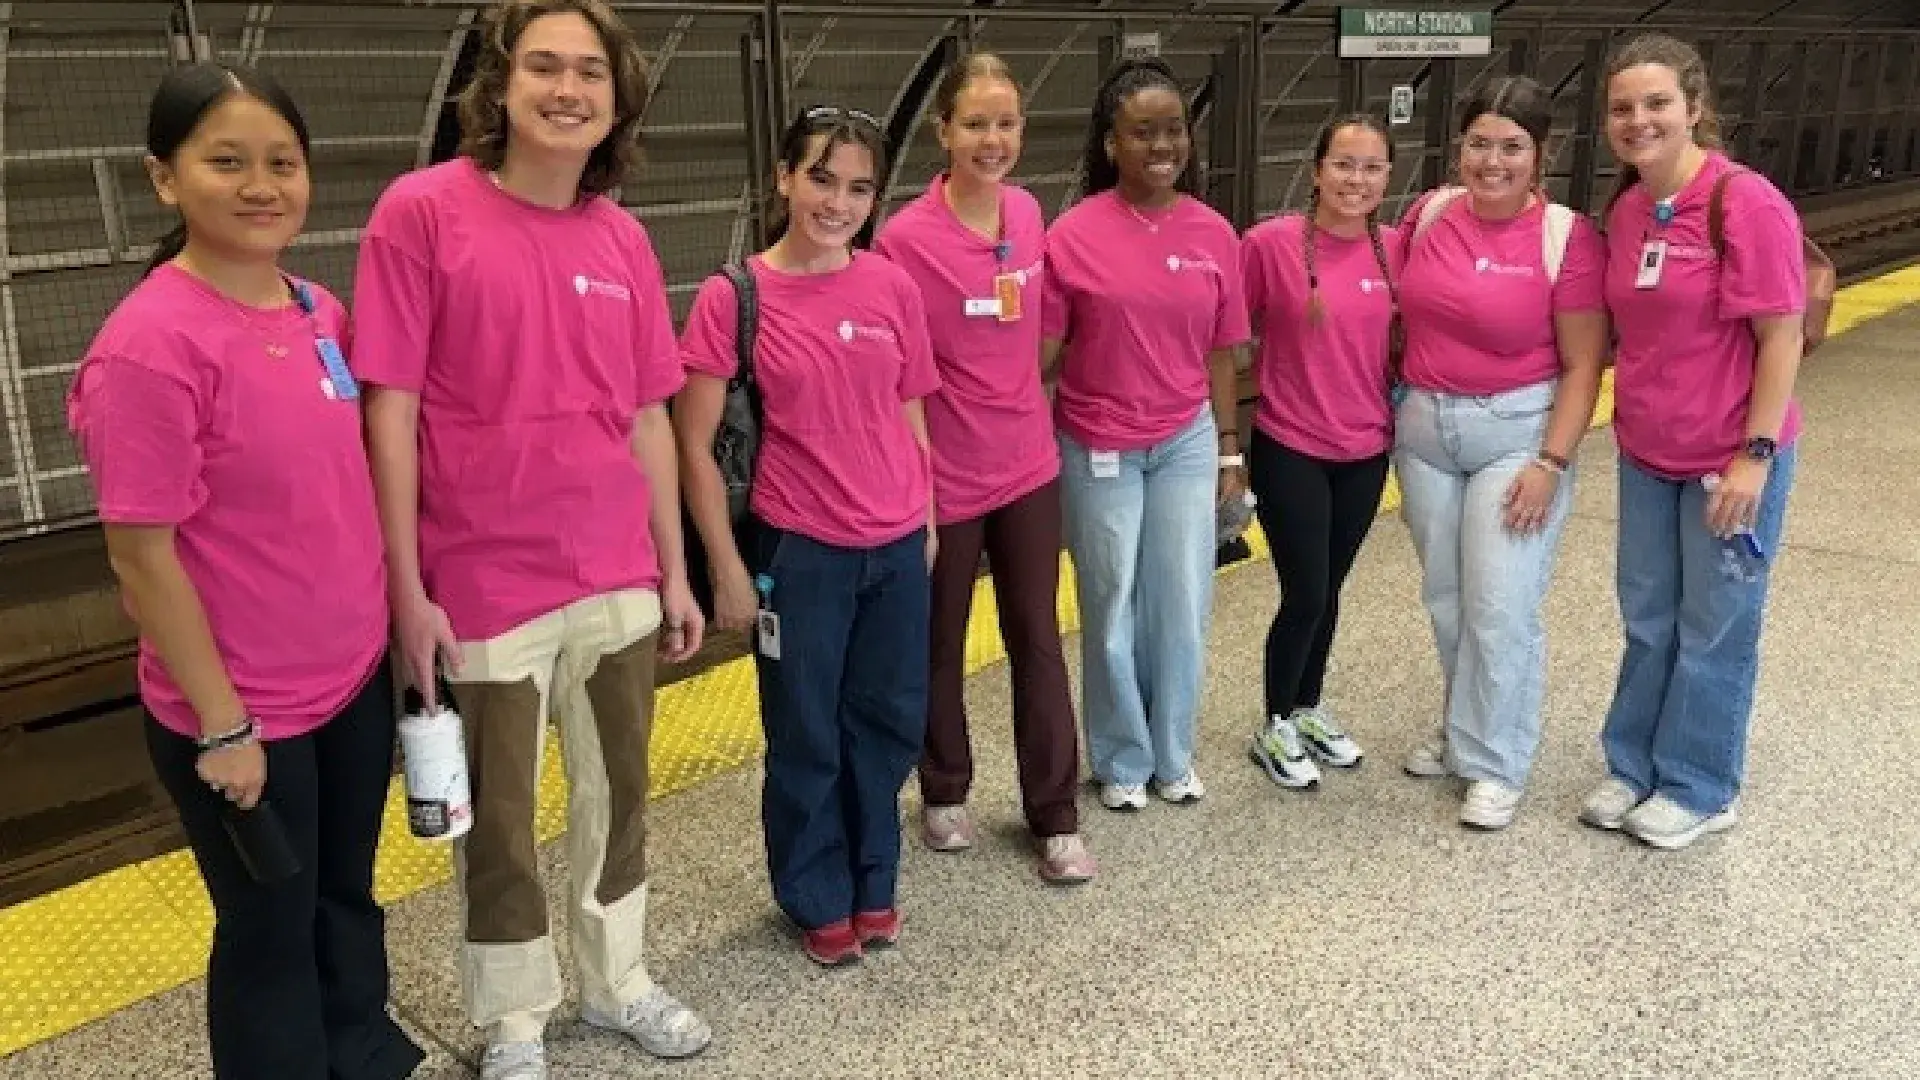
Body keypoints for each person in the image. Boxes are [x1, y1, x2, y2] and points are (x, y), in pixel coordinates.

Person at [351, 2, 709, 1076]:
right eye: (544, 67)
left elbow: (649, 416)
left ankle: (618, 983)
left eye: (590, 72)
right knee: (498, 820)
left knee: (620, 797)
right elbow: (391, 408)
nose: (567, 89)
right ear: (499, 85)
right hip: (483, 589)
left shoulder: (623, 237)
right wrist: (406, 589)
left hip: (617, 582)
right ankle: (512, 1022)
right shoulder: (421, 215)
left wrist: (675, 572)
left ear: (617, 99)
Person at [67, 62, 423, 1080]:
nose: (262, 185)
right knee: (267, 928)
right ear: (164, 178)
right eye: (226, 162)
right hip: (239, 711)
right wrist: (223, 727)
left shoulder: (318, 310)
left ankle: (360, 1051)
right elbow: (142, 557)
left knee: (346, 892)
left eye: (282, 162)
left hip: (347, 677)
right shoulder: (147, 347)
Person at [676, 106, 940, 966]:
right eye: (821, 178)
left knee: (889, 721)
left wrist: (928, 518)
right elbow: (693, 444)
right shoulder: (734, 298)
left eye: (859, 186)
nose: (838, 202)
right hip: (801, 552)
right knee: (805, 730)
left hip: (897, 544)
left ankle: (873, 880)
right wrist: (723, 564)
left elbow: (910, 407)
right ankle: (815, 890)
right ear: (785, 177)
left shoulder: (891, 284)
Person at [871, 52, 1096, 885]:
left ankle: (1055, 812)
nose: (992, 140)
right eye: (976, 124)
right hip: (946, 476)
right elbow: (900, 370)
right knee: (938, 640)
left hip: (1029, 464)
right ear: (943, 133)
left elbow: (1035, 334)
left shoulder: (1029, 214)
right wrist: (918, 480)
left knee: (1037, 636)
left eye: (1006, 124)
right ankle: (944, 788)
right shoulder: (904, 239)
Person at [1585, 33, 1807, 849]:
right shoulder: (1629, 207)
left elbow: (1780, 337)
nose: (1637, 121)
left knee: (1716, 622)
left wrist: (1756, 456)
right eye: (1622, 108)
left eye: (1656, 105)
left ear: (1695, 109)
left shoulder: (1743, 201)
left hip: (1728, 458)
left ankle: (1702, 784)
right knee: (1648, 616)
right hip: (1649, 450)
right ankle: (1633, 763)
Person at [1392, 77, 1609, 830]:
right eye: (1479, 143)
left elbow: (1584, 364)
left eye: (1511, 146)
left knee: (1500, 605)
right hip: (1424, 432)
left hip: (1515, 436)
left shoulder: (1565, 238)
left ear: (1539, 155)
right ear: (1460, 147)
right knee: (1447, 597)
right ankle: (1462, 733)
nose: (1492, 160)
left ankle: (1497, 762)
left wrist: (1550, 463)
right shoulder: (1429, 215)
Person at [1043, 57, 1251, 812]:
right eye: (1143, 132)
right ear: (1110, 144)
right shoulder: (1070, 235)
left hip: (1185, 440)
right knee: (1110, 599)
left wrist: (1229, 450)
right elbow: (1042, 352)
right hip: (1098, 441)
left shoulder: (1213, 232)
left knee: (1183, 600)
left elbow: (1220, 351)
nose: (1162, 146)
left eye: (1174, 131)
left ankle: (1173, 754)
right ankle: (1122, 758)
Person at [1240, 114, 1403, 791]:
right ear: (1316, 170)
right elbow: (1228, 335)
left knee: (1330, 588)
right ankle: (1274, 721)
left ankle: (1308, 706)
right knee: (1304, 589)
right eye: (1343, 164)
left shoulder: (1399, 248)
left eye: (1370, 167)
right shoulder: (1269, 245)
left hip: (1366, 449)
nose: (1355, 180)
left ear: (1388, 177)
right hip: (1291, 444)